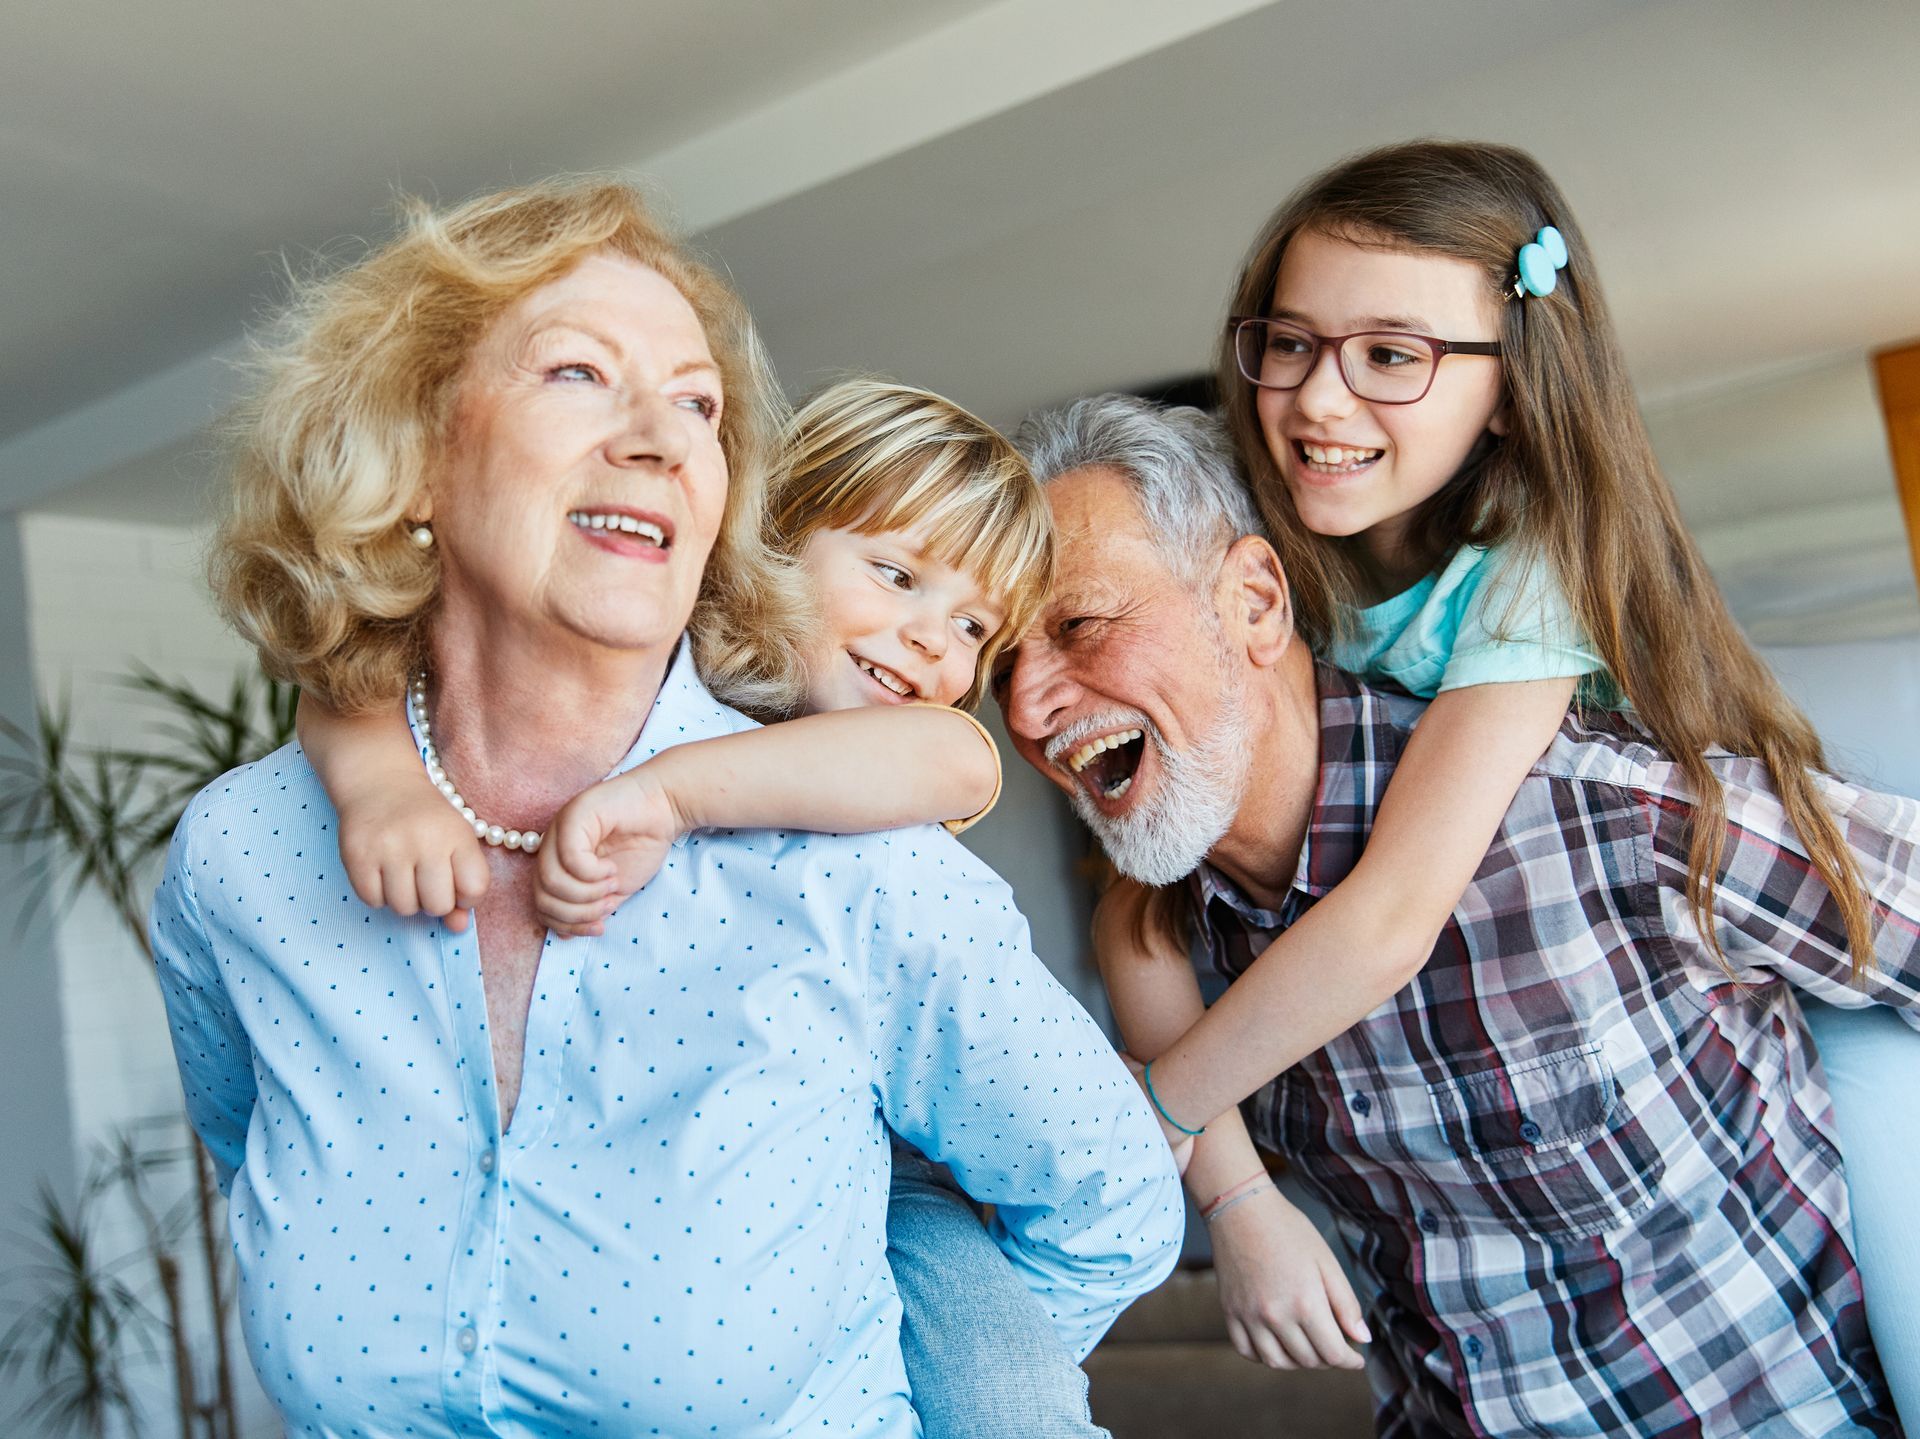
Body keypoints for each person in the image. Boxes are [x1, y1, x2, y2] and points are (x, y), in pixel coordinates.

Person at [150, 179, 1182, 1438]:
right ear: (415, 454)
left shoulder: (861, 860)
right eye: (579, 372)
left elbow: (1109, 1205)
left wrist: (891, 1375)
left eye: (698, 403)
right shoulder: (247, 854)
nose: (661, 435)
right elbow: (261, 1161)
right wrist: (371, 773)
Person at [1082, 138, 1919, 1404]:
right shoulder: (1287, 562)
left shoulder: (1533, 576)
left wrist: (1168, 1108)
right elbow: (1134, 918)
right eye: (1292, 341)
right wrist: (1238, 1196)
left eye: (1393, 354)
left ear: (1513, 392)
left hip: (1643, 956)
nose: (1318, 397)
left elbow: (1392, 913)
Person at [296, 375, 1119, 1438]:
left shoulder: (900, 745)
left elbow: (958, 757)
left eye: (972, 625)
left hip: (899, 1172)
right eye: (895, 572)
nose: (932, 642)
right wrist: (379, 786)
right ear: (771, 538)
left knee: (1017, 1404)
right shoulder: (642, 649)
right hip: (662, 1192)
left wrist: (671, 796)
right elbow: (352, 672)